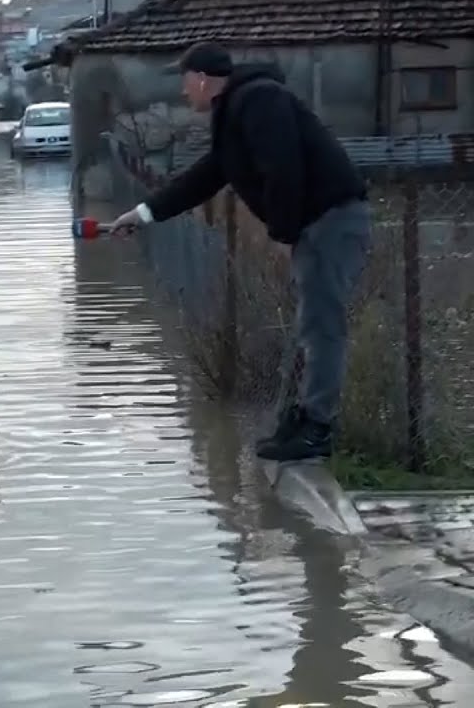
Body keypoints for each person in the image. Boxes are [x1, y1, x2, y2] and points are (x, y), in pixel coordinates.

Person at [105, 42, 371, 462]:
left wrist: (284, 235)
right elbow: (207, 177)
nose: (182, 92)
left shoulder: (259, 100)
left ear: (203, 79)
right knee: (312, 325)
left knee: (323, 326)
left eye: (184, 81)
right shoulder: (236, 112)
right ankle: (303, 420)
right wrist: (143, 213)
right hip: (315, 224)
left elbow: (284, 169)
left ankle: (317, 429)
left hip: (331, 220)